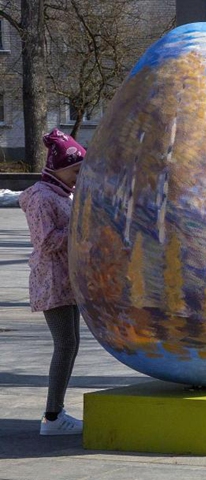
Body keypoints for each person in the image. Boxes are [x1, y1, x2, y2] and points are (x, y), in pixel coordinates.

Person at [18, 128, 86, 436]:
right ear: (59, 167)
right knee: (65, 344)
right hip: (52, 280)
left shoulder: (61, 195)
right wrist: (79, 226)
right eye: (75, 170)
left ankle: (56, 411)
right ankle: (53, 415)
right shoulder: (41, 198)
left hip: (66, 279)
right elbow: (45, 242)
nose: (78, 177)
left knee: (71, 344)